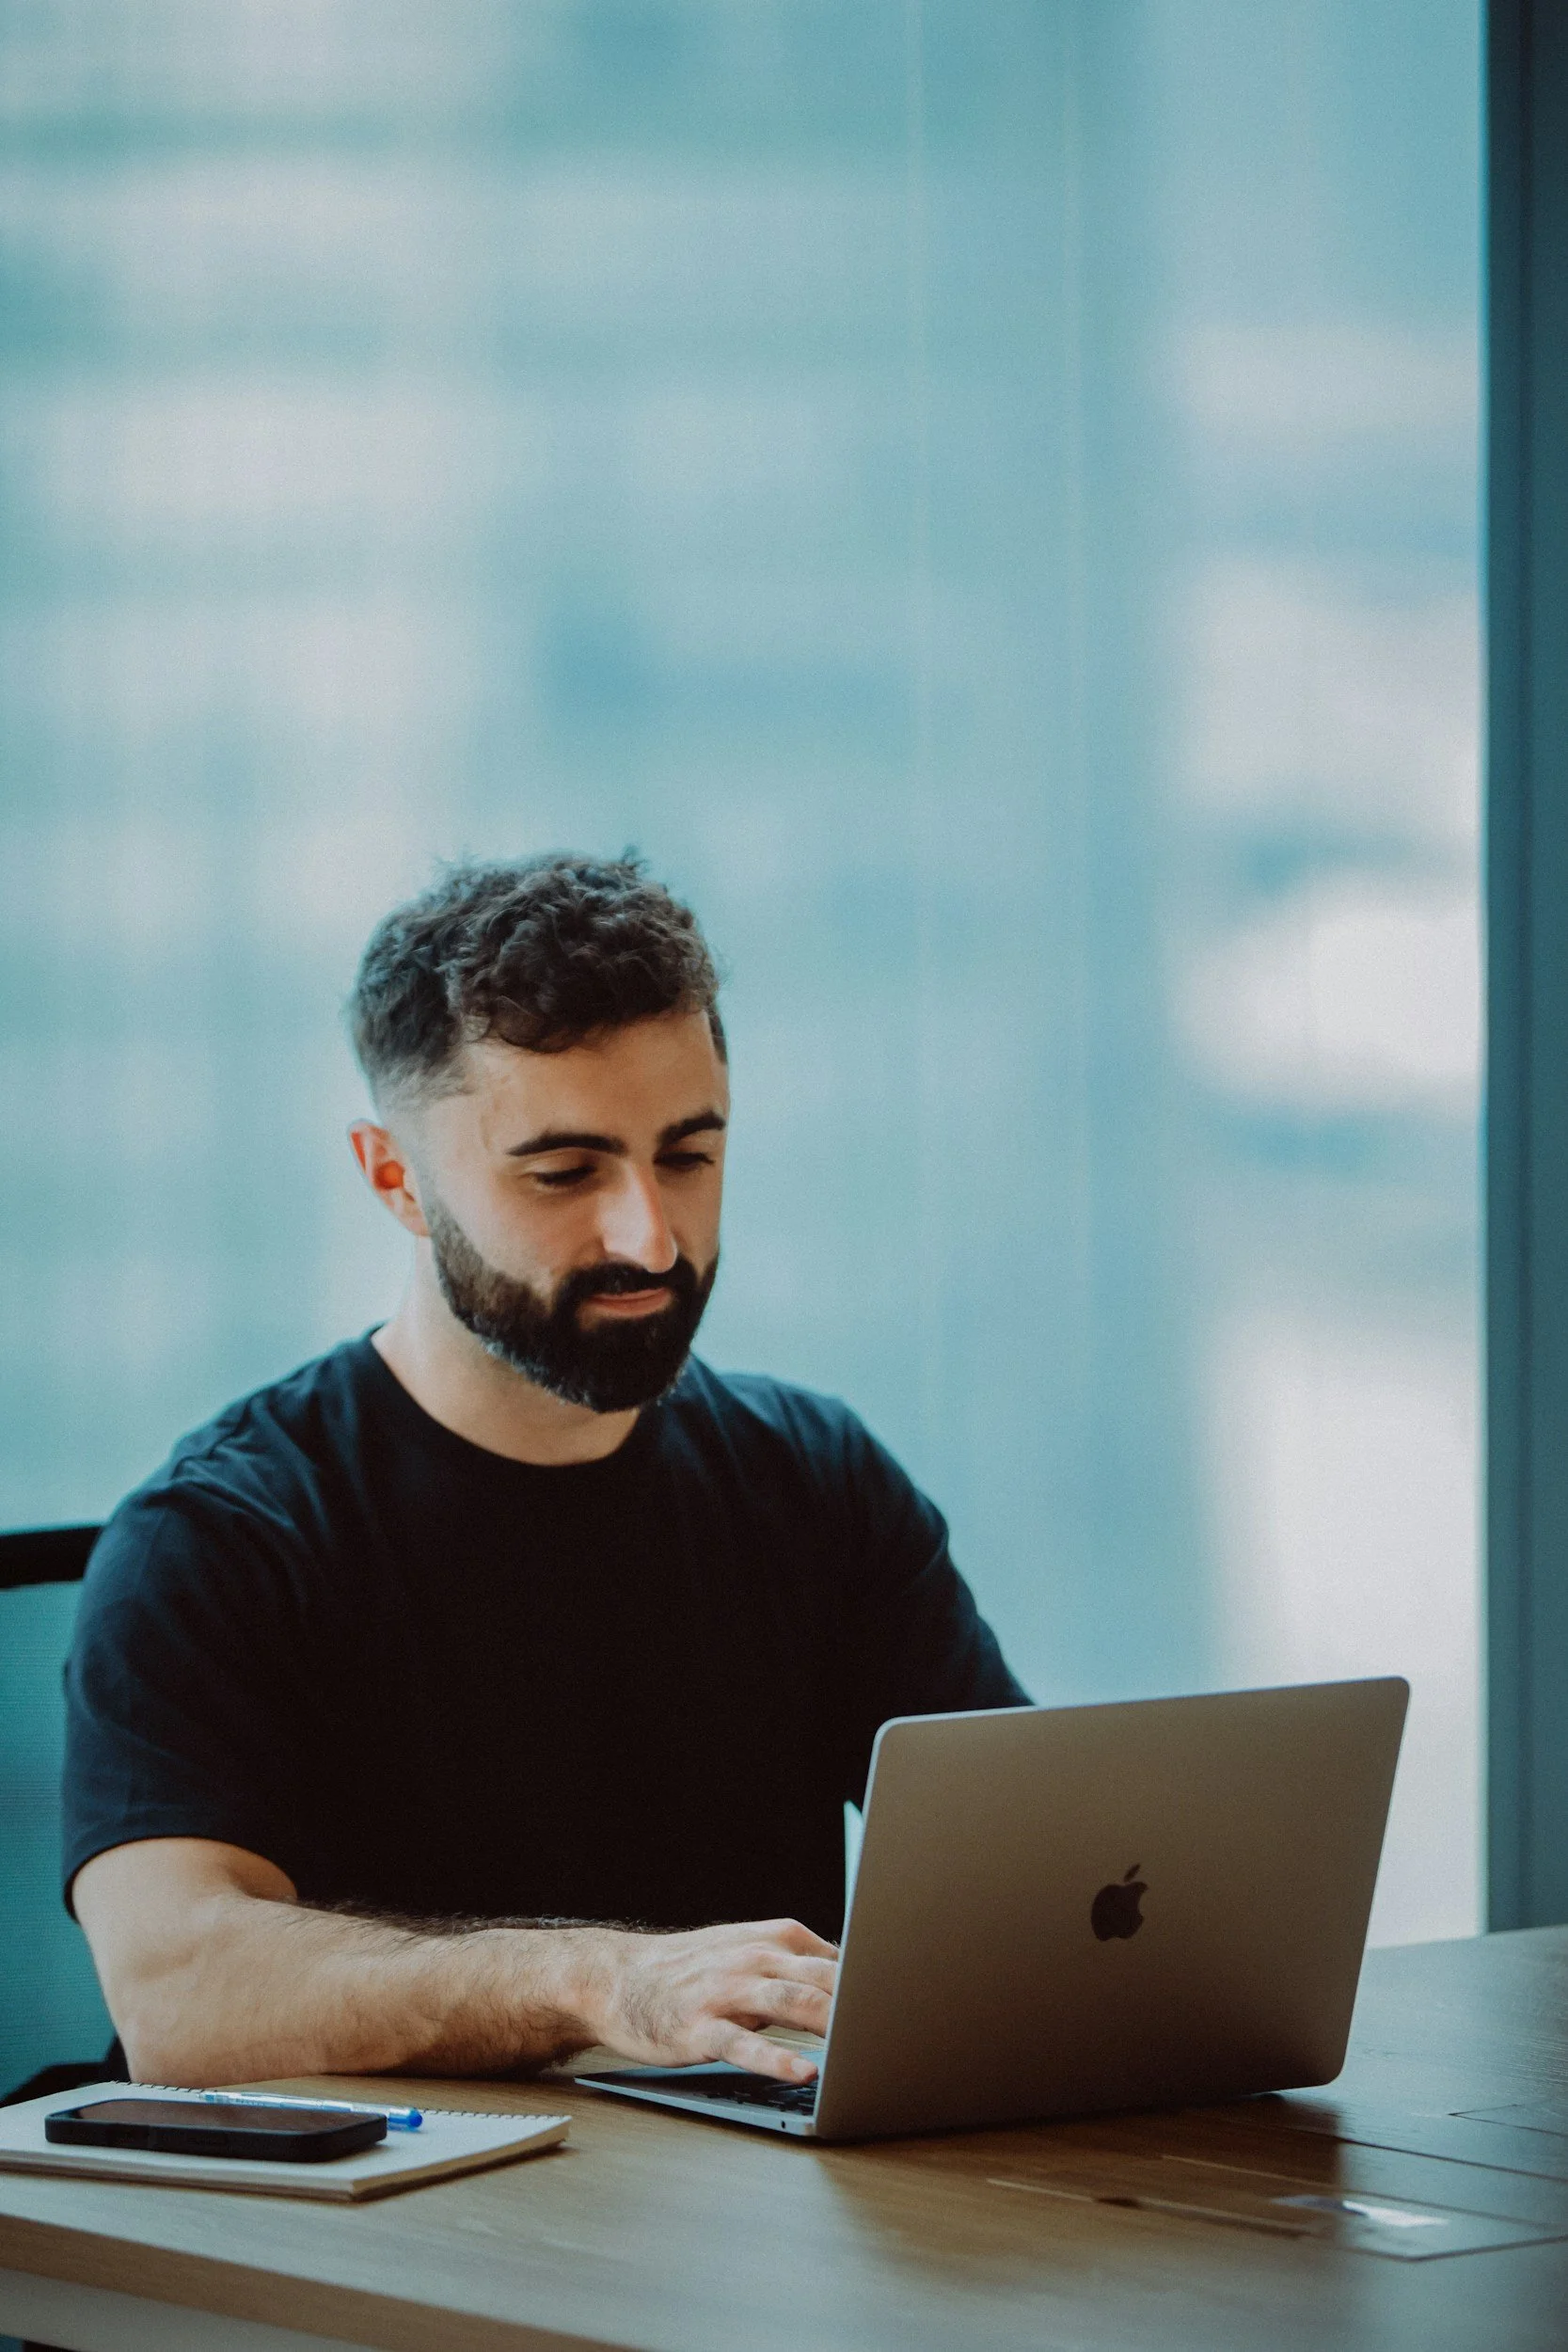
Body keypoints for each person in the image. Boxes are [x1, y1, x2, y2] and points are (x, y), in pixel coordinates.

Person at [65, 854, 1026, 2090]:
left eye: (686, 1156)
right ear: (395, 1179)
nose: (648, 1235)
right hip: (372, 2231)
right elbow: (181, 1999)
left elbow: (1035, 1883)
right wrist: (597, 1986)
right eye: (563, 1175)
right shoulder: (216, 1538)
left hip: (737, 2212)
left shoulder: (814, 1482)